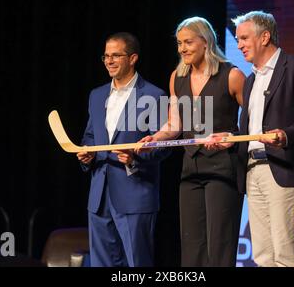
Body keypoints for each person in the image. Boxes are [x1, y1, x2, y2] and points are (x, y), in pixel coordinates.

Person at [138, 17, 246, 267]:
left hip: (224, 168)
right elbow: (174, 125)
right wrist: (154, 138)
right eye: (178, 43)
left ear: (205, 42)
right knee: (192, 244)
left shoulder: (232, 76)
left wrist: (233, 139)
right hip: (191, 170)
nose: (181, 49)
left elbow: (253, 121)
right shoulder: (177, 77)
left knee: (220, 244)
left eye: (187, 42)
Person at [230, 11, 294, 267]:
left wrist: (285, 135)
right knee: (262, 255)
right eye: (238, 39)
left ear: (264, 37)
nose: (238, 45)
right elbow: (252, 129)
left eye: (243, 38)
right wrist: (231, 138)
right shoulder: (250, 81)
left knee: (285, 253)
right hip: (252, 169)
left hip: (282, 167)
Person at [77, 32, 170, 267]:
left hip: (135, 192)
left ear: (133, 58)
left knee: (136, 263)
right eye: (106, 56)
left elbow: (164, 145)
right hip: (99, 196)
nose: (109, 61)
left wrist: (135, 157)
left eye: (116, 55)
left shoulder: (154, 95)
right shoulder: (96, 95)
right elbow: (90, 136)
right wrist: (86, 154)